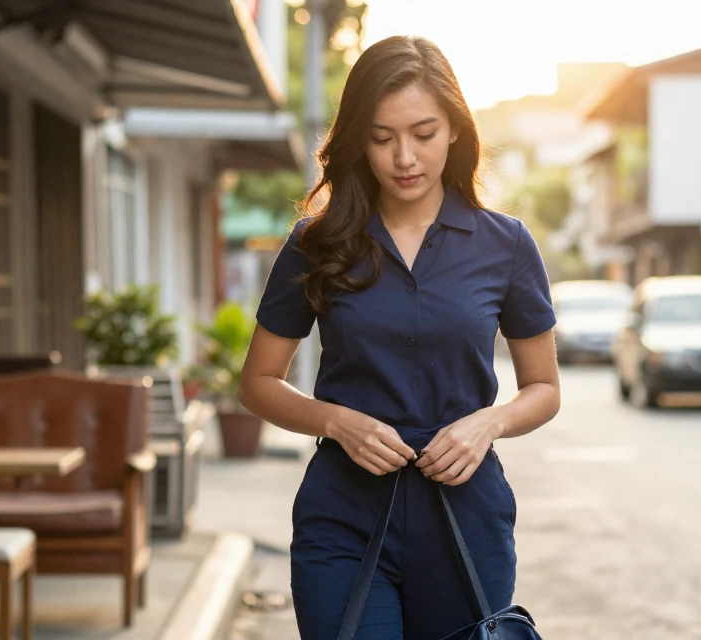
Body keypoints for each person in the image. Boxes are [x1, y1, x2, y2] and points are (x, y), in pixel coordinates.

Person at [237, 36, 561, 639]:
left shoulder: (507, 245)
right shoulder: (316, 243)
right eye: (382, 137)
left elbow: (544, 388)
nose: (404, 157)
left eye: (423, 133)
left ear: (455, 130)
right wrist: (336, 421)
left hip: (465, 518)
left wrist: (487, 424)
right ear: (358, 140)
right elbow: (257, 383)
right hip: (343, 517)